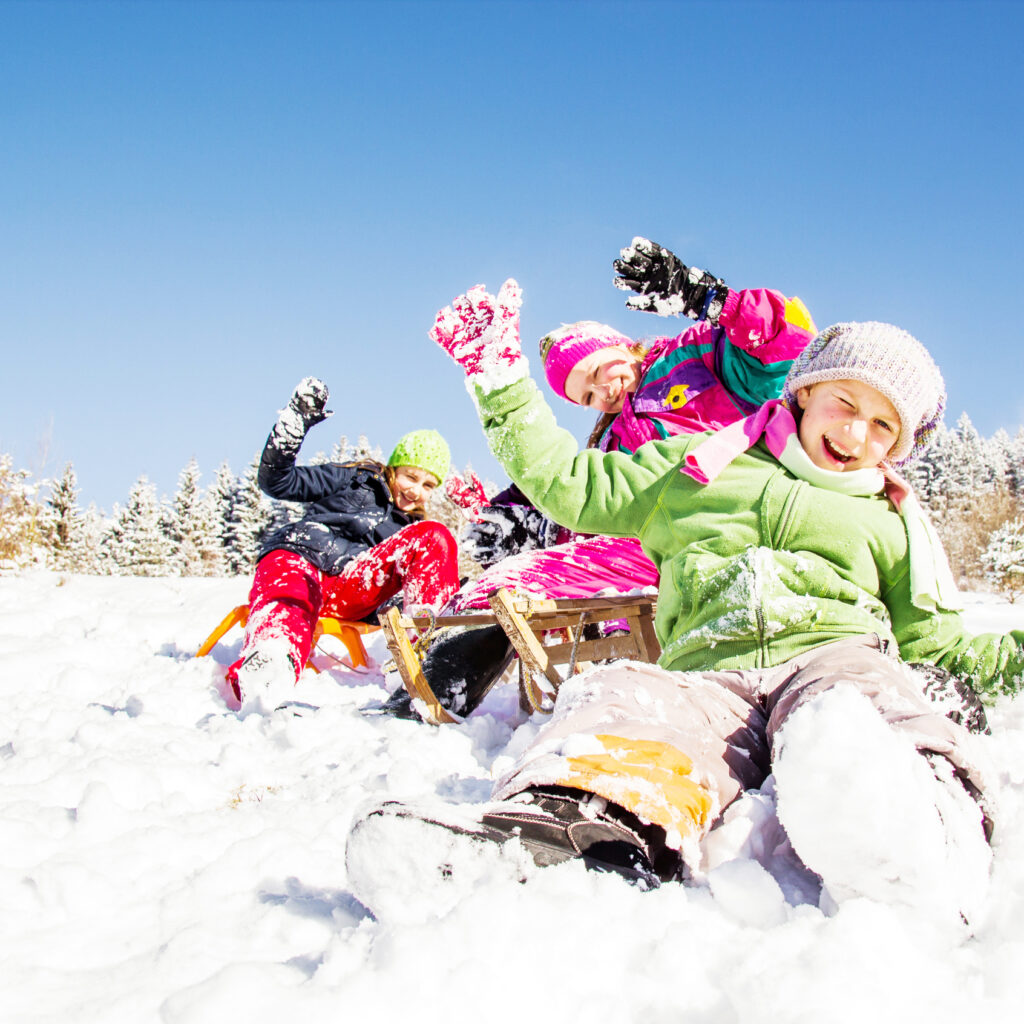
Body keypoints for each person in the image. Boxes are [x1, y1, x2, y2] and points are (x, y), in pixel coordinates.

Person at [350, 285, 1012, 925]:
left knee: (863, 703)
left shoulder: (890, 518)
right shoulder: (699, 464)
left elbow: (937, 648)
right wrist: (500, 380)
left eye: (883, 425)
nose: (858, 431)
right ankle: (561, 833)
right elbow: (568, 485)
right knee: (626, 699)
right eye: (846, 402)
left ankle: (919, 832)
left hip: (831, 654)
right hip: (708, 670)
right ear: (806, 392)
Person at [381, 240, 818, 720]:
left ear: (616, 343)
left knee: (523, 582)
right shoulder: (608, 440)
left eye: (595, 372)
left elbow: (789, 347)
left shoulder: (695, 359)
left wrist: (712, 300)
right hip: (647, 551)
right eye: (585, 396)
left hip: (723, 533)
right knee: (509, 585)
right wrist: (524, 520)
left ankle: (433, 697)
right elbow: (591, 502)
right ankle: (426, 694)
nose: (601, 393)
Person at [227, 377, 459, 715]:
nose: (416, 491)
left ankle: (420, 662)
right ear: (393, 468)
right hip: (301, 557)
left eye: (428, 485)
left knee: (435, 534)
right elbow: (277, 482)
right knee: (289, 597)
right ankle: (269, 666)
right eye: (411, 477)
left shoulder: (410, 530)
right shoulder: (354, 478)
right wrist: (293, 427)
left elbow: (398, 594)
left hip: (352, 584)